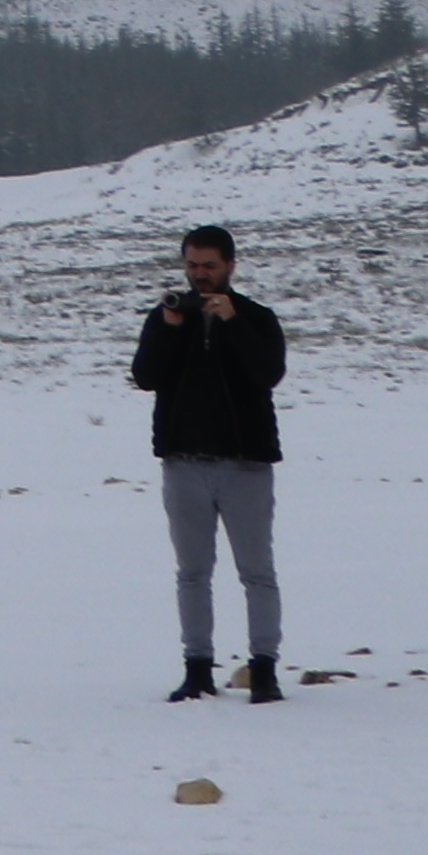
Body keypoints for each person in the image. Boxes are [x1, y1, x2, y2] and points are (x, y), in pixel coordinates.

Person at [136, 222, 289, 701]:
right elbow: (145, 376)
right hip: (184, 464)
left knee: (257, 572)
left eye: (209, 266)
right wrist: (169, 331)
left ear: (230, 267)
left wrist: (232, 323)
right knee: (192, 573)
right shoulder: (168, 317)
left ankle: (263, 669)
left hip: (245, 466)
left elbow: (268, 374)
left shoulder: (256, 317)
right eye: (192, 266)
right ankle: (197, 668)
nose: (199, 276)